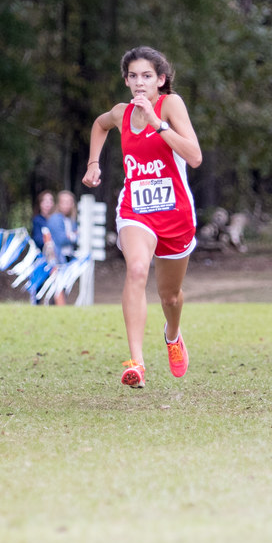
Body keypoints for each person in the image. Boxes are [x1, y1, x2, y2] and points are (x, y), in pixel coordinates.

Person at [82, 45, 202, 389]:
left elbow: (194, 157)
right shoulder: (121, 113)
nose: (139, 83)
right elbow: (99, 124)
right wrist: (93, 163)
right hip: (136, 209)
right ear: (126, 80)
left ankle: (173, 334)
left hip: (176, 213)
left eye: (147, 76)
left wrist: (157, 123)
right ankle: (136, 362)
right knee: (136, 269)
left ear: (160, 80)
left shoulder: (171, 105)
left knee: (170, 296)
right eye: (133, 76)